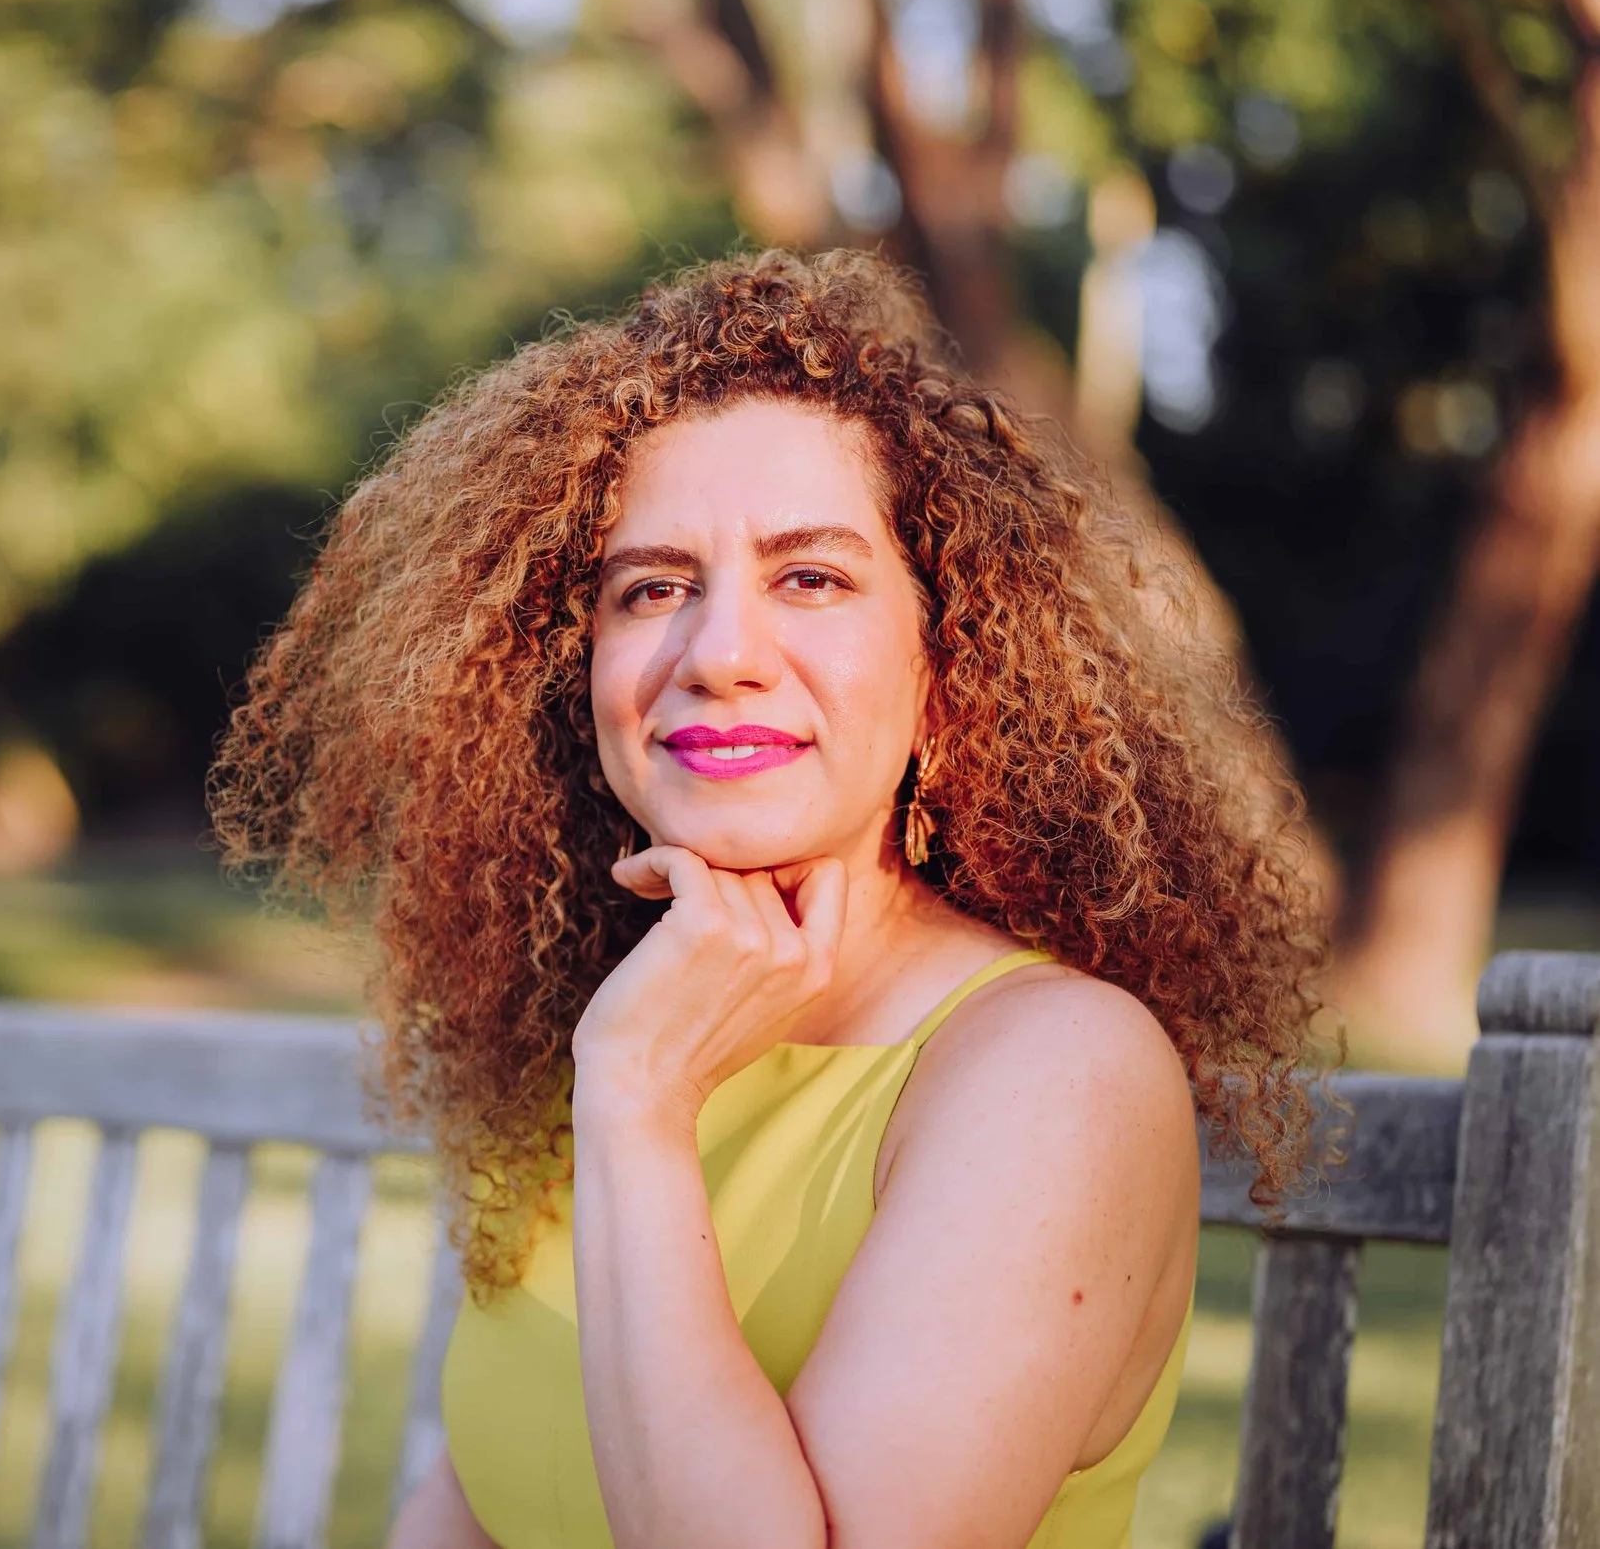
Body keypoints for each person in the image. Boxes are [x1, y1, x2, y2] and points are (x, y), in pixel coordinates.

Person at [210, 248, 1329, 1549]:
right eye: (653, 587)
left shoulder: (1050, 1069)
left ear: (948, 658)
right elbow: (489, 1499)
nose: (719, 652)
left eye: (812, 576)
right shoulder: (625, 1008)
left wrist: (635, 1100)